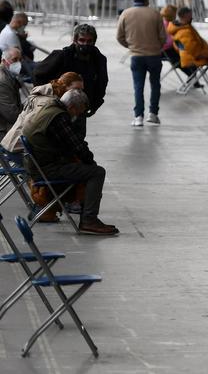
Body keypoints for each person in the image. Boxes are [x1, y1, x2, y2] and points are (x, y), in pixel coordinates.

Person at [22, 89, 119, 235]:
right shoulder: (59, 118)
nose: (78, 115)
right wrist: (90, 163)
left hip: (37, 166)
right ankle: (89, 220)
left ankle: (87, 217)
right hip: (47, 169)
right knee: (97, 172)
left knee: (86, 168)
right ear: (73, 107)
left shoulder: (50, 107)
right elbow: (77, 146)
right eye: (80, 111)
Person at [33, 24, 108, 137]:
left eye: (89, 41)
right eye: (81, 40)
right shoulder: (61, 56)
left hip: (79, 110)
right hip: (57, 108)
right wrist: (45, 98)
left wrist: (94, 105)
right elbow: (38, 74)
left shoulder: (99, 60)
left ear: (94, 41)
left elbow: (102, 83)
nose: (85, 44)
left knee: (76, 141)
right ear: (74, 40)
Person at [116, 0, 167, 126]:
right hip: (154, 56)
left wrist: (131, 46)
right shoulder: (155, 14)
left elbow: (119, 36)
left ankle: (138, 116)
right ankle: (153, 114)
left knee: (138, 87)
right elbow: (163, 37)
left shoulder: (126, 14)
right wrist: (156, 46)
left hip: (136, 56)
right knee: (155, 85)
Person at [169, 7, 208, 96]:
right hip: (194, 58)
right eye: (190, 16)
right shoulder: (184, 31)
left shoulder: (180, 28)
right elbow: (194, 52)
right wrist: (207, 54)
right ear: (185, 16)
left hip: (190, 56)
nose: (192, 17)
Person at [0, 48, 27, 137]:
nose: (18, 63)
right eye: (15, 60)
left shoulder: (10, 75)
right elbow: (11, 114)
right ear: (4, 61)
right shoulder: (2, 81)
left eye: (20, 60)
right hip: (3, 130)